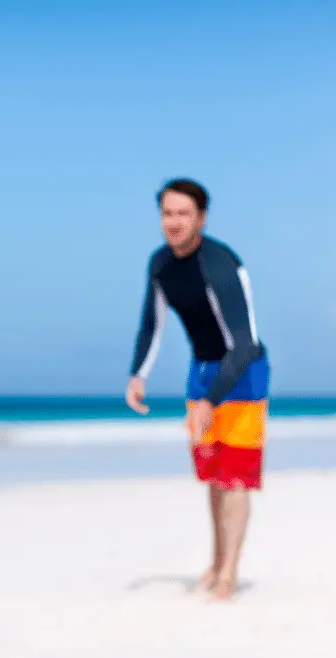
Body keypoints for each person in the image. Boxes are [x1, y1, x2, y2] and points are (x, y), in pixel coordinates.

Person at [125, 178, 269, 601]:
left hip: (243, 375)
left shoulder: (221, 265)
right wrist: (138, 375)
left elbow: (244, 344)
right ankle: (215, 560)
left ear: (201, 218)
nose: (174, 222)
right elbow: (151, 323)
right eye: (167, 213)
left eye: (183, 213)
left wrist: (212, 398)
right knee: (213, 476)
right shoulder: (160, 265)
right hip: (202, 373)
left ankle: (229, 573)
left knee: (236, 479)